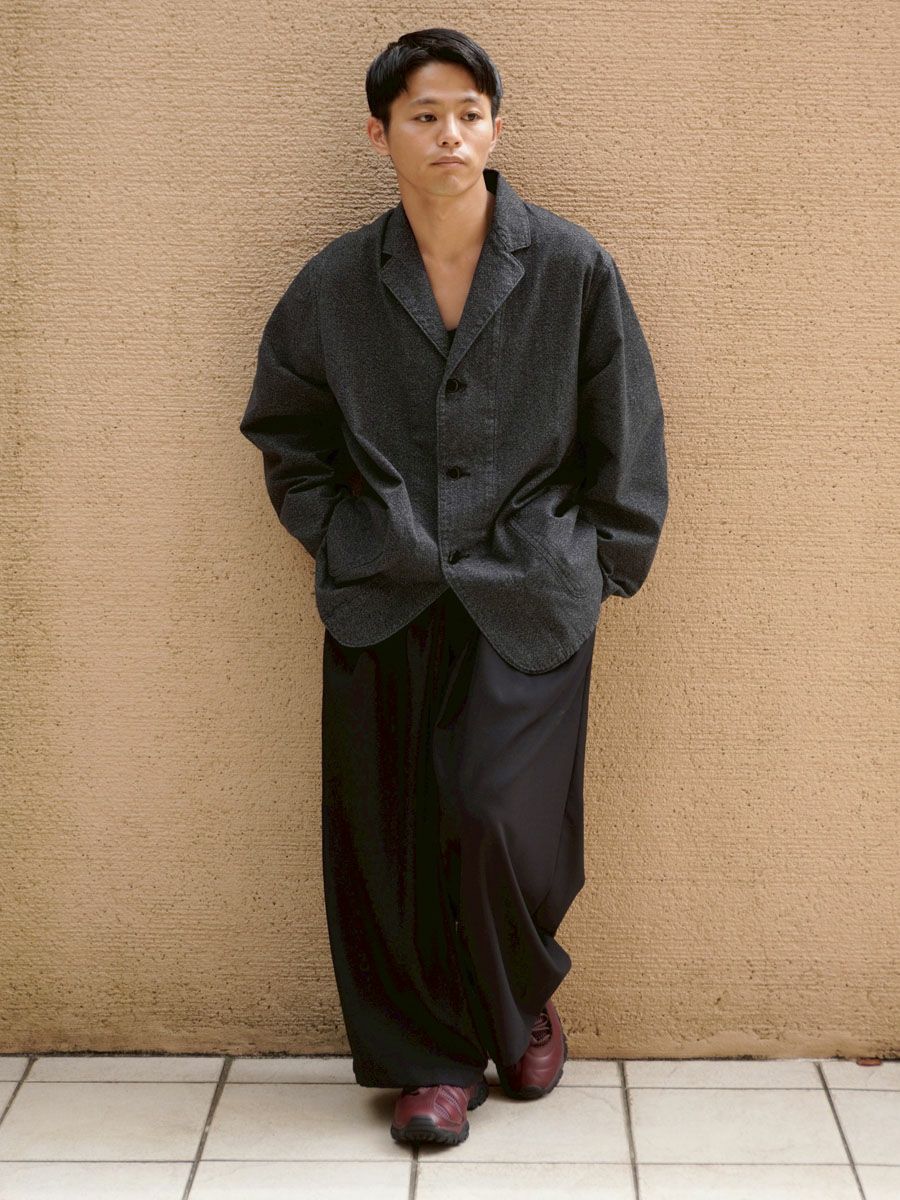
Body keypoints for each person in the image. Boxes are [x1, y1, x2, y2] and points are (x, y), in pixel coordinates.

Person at [240, 27, 669, 1148]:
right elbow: (285, 429)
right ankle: (431, 1063)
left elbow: (627, 426)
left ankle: (520, 1000)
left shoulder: (570, 266)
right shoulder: (336, 283)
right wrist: (340, 534)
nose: (450, 134)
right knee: (387, 830)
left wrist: (603, 563)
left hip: (531, 587)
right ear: (378, 133)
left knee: (493, 814)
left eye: (470, 113)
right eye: (425, 115)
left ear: (496, 127)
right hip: (383, 582)